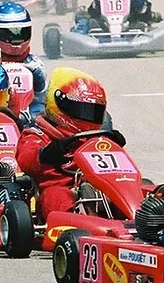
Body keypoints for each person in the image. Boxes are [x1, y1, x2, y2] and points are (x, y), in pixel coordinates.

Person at [16, 67, 125, 222]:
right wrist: (45, 154)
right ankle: (80, 218)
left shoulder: (96, 138)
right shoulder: (38, 134)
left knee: (141, 187)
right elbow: (26, 160)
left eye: (93, 111)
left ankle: (150, 213)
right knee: (55, 196)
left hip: (98, 187)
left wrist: (114, 146)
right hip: (62, 190)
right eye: (83, 110)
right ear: (58, 103)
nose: (88, 117)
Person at [0, 1, 47, 121]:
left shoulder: (35, 64)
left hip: (30, 116)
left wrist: (39, 81)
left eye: (21, 31)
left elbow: (43, 98)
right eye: (8, 33)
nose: (16, 38)